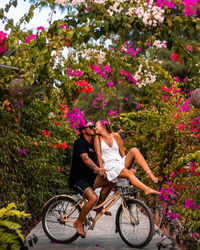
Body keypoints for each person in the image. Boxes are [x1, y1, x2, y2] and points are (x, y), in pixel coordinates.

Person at [69, 120, 113, 238]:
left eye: (94, 126)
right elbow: (86, 159)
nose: (93, 128)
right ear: (83, 130)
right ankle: (78, 222)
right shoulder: (80, 142)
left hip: (90, 178)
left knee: (110, 181)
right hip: (78, 179)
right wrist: (98, 169)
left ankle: (99, 206)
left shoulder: (94, 143)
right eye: (90, 127)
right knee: (92, 198)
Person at [94, 120, 161, 195]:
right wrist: (101, 169)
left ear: (103, 125)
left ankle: (149, 173)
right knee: (129, 174)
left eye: (96, 126)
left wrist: (130, 167)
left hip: (119, 162)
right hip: (109, 166)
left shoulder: (116, 136)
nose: (94, 128)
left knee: (134, 150)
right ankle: (146, 189)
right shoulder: (98, 138)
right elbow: (98, 154)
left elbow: (123, 154)